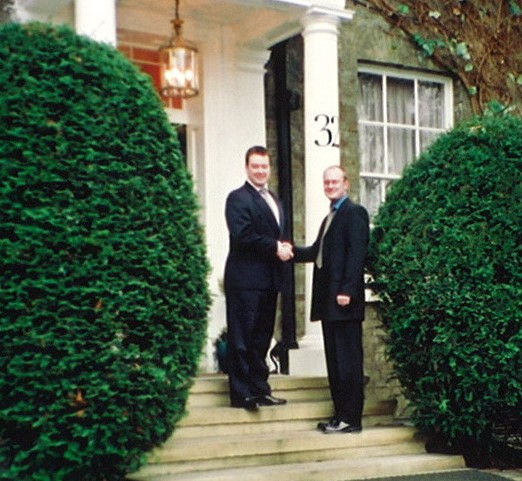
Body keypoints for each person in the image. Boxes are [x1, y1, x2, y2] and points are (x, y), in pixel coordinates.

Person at [294, 165, 369, 433]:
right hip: (329, 304)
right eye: (326, 182)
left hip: (345, 302)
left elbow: (356, 255)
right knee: (336, 364)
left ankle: (352, 419)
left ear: (346, 183)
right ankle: (340, 416)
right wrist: (289, 251)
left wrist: (347, 291)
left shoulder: (355, 213)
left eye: (334, 182)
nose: (330, 186)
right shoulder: (330, 217)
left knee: (348, 362)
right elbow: (317, 251)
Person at [224, 145, 293, 411]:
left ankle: (259, 389)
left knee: (261, 340)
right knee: (242, 339)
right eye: (255, 166)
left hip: (268, 280)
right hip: (244, 280)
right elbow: (243, 234)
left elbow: (276, 234)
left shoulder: (273, 199)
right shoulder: (237, 198)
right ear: (247, 168)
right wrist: (276, 247)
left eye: (264, 166)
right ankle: (242, 394)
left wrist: (285, 248)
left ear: (269, 168)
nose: (261, 171)